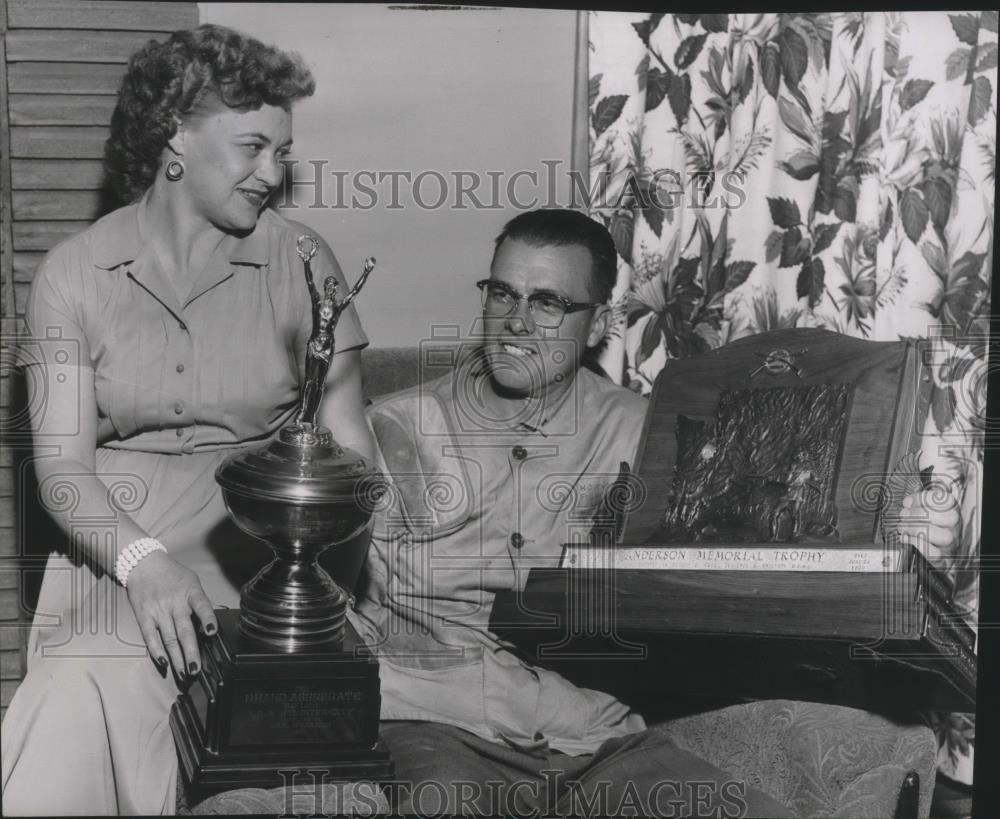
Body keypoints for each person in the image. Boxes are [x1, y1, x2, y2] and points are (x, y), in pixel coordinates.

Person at [1, 24, 371, 815]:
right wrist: (144, 565)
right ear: (175, 131)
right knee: (76, 693)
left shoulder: (306, 264)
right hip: (114, 558)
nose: (273, 173)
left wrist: (338, 608)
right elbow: (61, 474)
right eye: (252, 147)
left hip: (262, 559)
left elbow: (353, 461)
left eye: (284, 151)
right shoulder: (73, 275)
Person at [349, 209, 794, 818]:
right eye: (502, 293)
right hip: (436, 727)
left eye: (549, 302)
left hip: (595, 737)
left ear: (598, 326)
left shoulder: (647, 435)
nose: (515, 322)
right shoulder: (390, 430)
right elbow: (327, 602)